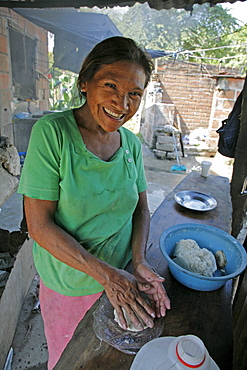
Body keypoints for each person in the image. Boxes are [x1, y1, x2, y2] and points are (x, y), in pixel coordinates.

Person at [18, 36, 170, 369]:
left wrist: (139, 261)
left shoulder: (129, 143)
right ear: (85, 83)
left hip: (122, 274)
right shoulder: (53, 134)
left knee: (112, 358)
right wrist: (108, 277)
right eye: (110, 86)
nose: (122, 104)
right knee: (73, 360)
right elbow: (38, 226)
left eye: (135, 94)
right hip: (71, 284)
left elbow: (141, 209)